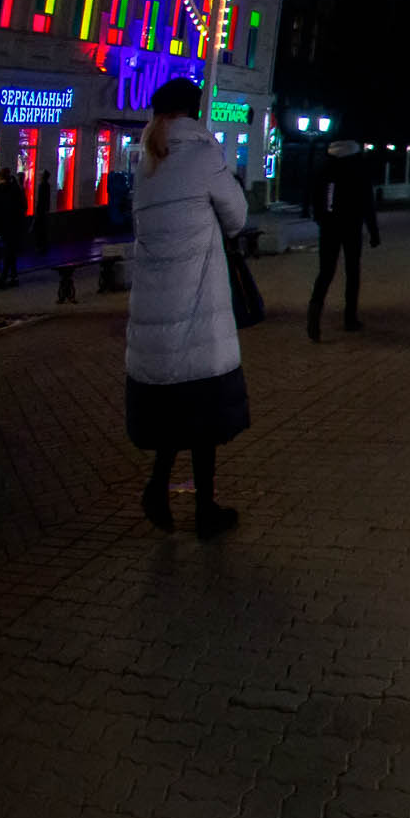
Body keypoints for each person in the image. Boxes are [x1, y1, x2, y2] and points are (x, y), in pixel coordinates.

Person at [125, 79, 249, 539]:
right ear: (194, 112)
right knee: (203, 416)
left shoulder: (148, 162)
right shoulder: (204, 155)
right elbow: (237, 218)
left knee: (176, 413)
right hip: (197, 308)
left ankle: (159, 489)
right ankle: (204, 510)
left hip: (155, 310)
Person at [307, 139, 381, 341]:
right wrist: (373, 232)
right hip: (351, 227)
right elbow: (367, 203)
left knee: (325, 272)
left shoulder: (324, 169)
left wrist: (321, 219)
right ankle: (350, 318)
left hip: (329, 228)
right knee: (352, 272)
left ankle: (313, 317)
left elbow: (316, 198)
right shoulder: (358, 171)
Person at [0, 166, 26, 289]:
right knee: (11, 249)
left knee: (8, 249)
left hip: (3, 224)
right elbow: (22, 206)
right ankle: (12, 275)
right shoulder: (15, 189)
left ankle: (4, 276)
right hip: (14, 224)